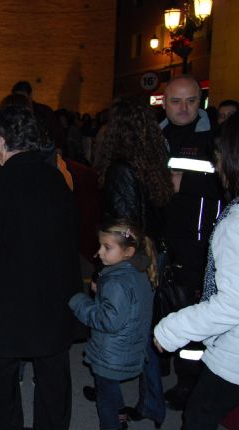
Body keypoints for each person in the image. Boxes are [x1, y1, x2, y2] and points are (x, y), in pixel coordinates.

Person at [0, 104, 82, 430]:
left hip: (10, 295)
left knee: (2, 371)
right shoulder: (58, 179)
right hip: (54, 291)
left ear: (1, 143)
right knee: (52, 371)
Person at [91, 96, 174, 427]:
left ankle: (115, 400)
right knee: (145, 330)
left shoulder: (122, 167)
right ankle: (151, 402)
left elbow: (123, 226)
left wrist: (106, 268)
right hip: (152, 252)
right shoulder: (153, 160)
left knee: (122, 331)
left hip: (133, 257)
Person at [154, 113, 239, 430]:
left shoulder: (235, 226)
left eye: (219, 159)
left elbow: (232, 303)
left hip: (233, 353)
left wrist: (171, 329)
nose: (217, 168)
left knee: (200, 416)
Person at [160, 75, 223, 410]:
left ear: (201, 101)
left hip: (198, 242)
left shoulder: (215, 138)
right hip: (161, 236)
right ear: (165, 101)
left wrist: (186, 183)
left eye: (191, 101)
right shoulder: (157, 135)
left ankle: (189, 382)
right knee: (159, 303)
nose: (184, 108)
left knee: (192, 310)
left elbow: (228, 186)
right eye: (176, 101)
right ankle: (155, 369)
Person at [70, 220, 156, 430]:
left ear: (128, 251)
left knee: (105, 401)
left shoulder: (117, 282)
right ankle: (121, 415)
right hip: (128, 348)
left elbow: (108, 320)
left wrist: (80, 302)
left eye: (107, 247)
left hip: (110, 355)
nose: (99, 252)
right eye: (100, 246)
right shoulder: (138, 272)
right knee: (107, 388)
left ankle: (113, 423)